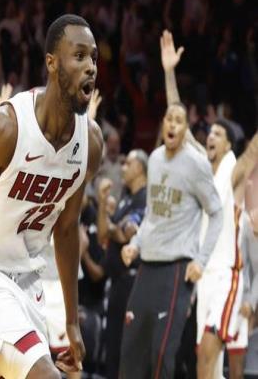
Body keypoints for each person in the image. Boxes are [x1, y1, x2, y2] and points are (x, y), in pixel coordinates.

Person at [0, 14, 103, 379]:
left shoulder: (90, 144)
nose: (91, 67)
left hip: (31, 283)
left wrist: (71, 321)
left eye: (94, 58)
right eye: (79, 56)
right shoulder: (5, 127)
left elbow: (67, 229)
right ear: (52, 63)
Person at [160, 29, 258, 379]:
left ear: (228, 144)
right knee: (207, 363)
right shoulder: (202, 167)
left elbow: (254, 149)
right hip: (202, 276)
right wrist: (169, 72)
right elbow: (178, 123)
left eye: (218, 133)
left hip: (227, 276)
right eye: (210, 133)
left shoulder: (234, 171)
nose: (209, 136)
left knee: (209, 357)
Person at [120, 102, 223, 378]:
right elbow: (152, 213)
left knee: (161, 352)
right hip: (147, 266)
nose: (173, 125)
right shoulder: (154, 159)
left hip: (177, 269)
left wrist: (201, 260)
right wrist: (135, 244)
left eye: (179, 120)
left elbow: (217, 213)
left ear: (185, 128)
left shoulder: (196, 164)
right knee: (131, 350)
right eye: (169, 119)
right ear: (163, 124)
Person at [96, 149, 148, 379]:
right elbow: (104, 234)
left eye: (128, 163)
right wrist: (101, 203)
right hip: (117, 283)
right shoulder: (126, 198)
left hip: (133, 284)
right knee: (113, 350)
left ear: (140, 168)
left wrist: (113, 228)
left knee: (127, 352)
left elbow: (123, 234)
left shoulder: (145, 198)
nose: (123, 168)